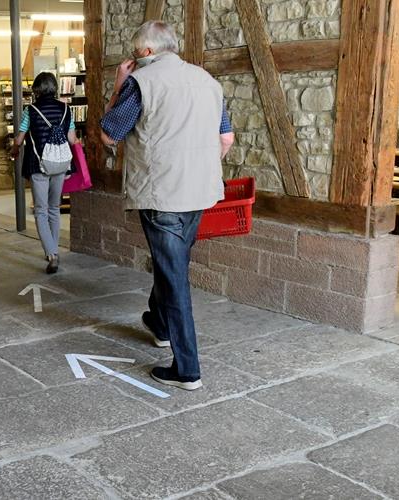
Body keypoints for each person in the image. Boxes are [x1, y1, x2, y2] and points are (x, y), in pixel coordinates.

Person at [99, 21, 235, 391]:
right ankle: (159, 325)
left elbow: (109, 132)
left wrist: (116, 88)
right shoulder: (208, 81)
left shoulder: (140, 83)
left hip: (163, 194)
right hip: (200, 191)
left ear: (144, 53)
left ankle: (187, 368)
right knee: (171, 263)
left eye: (134, 53)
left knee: (174, 277)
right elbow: (226, 138)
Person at [11, 72, 79, 274]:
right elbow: (73, 139)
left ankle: (52, 254)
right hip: (60, 165)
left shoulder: (30, 111)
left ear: (37, 90)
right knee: (54, 208)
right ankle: (53, 251)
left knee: (40, 210)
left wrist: (14, 151)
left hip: (38, 166)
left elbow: (19, 139)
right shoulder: (66, 109)